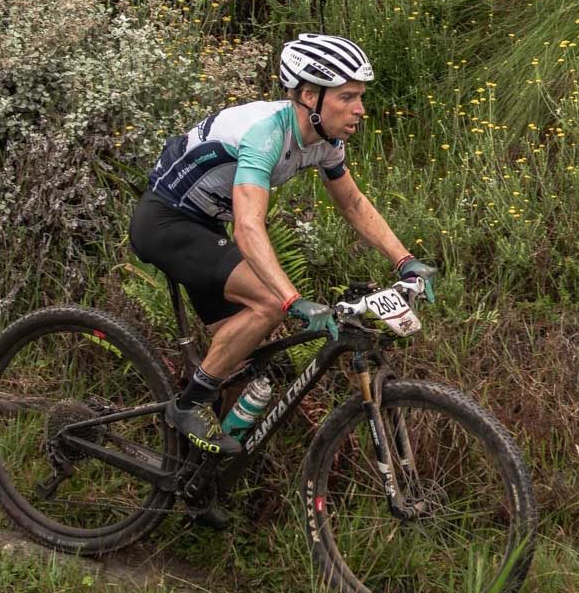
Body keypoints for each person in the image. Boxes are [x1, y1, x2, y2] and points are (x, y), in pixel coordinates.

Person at [129, 32, 436, 452]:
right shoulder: (265, 135)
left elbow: (352, 203)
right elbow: (249, 228)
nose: (360, 109)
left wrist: (405, 260)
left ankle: (192, 478)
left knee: (243, 360)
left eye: (360, 96)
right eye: (347, 97)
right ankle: (189, 405)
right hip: (167, 222)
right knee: (269, 305)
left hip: (206, 229)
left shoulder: (326, 141)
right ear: (310, 96)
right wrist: (291, 300)